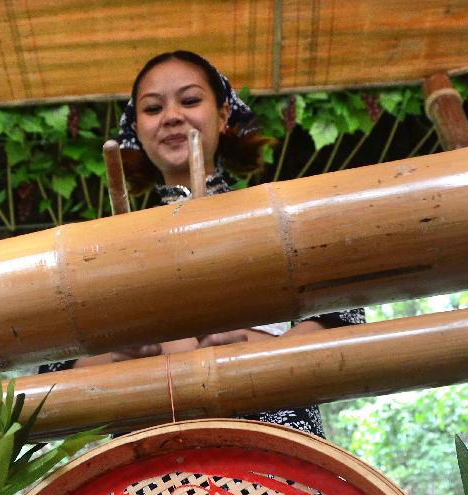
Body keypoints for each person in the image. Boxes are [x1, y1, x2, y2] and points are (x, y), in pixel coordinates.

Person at [41, 50, 364, 437]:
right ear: (137, 130)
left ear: (224, 115)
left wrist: (253, 355)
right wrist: (119, 360)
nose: (172, 116)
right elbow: (54, 372)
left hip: (271, 439)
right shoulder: (103, 247)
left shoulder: (279, 220)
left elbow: (342, 320)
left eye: (190, 100)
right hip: (152, 458)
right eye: (153, 108)